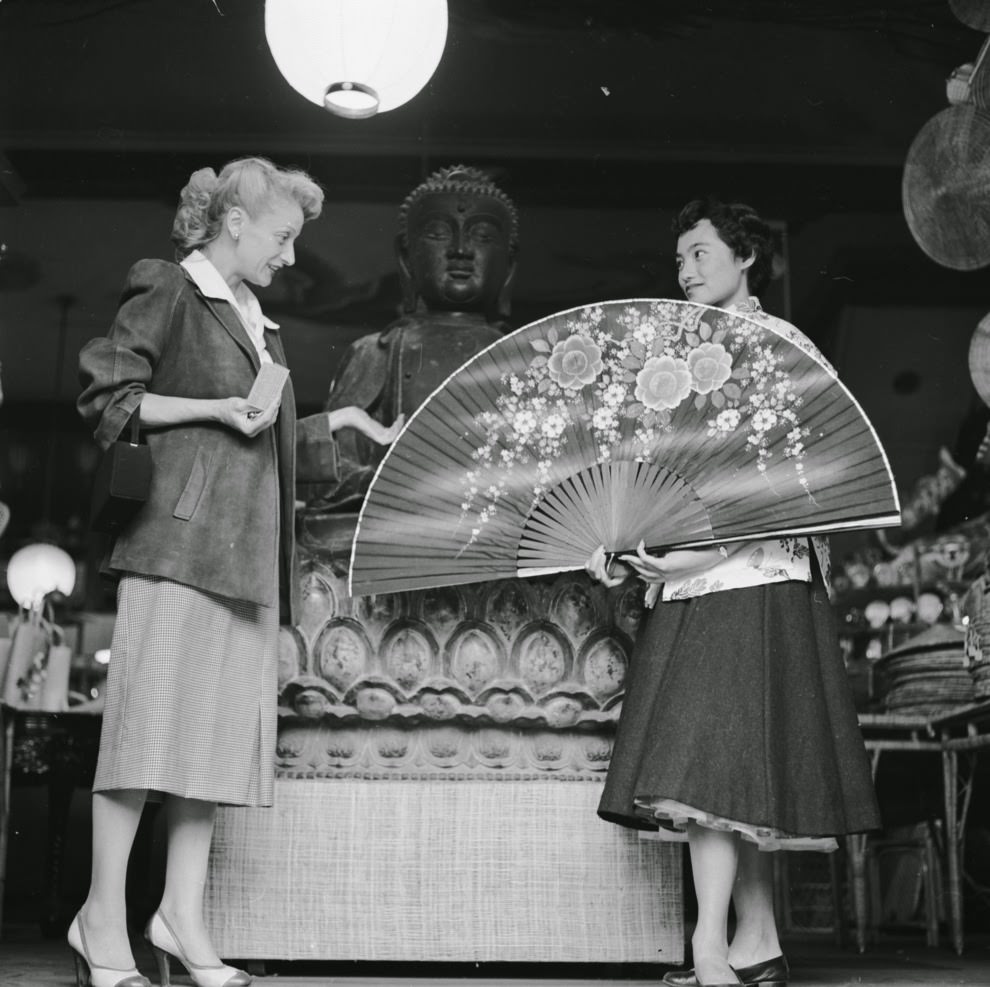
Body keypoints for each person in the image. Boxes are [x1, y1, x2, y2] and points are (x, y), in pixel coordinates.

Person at [73, 157, 395, 987]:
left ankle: (180, 918)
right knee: (145, 743)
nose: (292, 256)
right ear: (237, 221)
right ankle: (100, 917)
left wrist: (347, 422)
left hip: (245, 560)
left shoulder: (259, 320)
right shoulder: (171, 288)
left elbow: (267, 444)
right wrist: (215, 407)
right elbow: (110, 397)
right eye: (284, 237)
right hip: (176, 551)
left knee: (211, 750)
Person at [587, 198, 880, 987]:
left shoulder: (784, 347)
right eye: (678, 257)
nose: (685, 270)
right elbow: (662, 479)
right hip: (690, 580)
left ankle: (709, 947)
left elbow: (788, 487)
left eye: (700, 251)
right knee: (728, 766)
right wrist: (631, 547)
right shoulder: (672, 362)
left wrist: (689, 558)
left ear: (746, 255)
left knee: (711, 766)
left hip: (748, 574)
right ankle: (757, 939)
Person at [297, 163, 518, 511]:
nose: (460, 250)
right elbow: (325, 474)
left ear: (509, 263)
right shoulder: (378, 352)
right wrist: (394, 482)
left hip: (491, 533)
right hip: (396, 529)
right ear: (405, 256)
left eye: (483, 237)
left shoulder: (524, 358)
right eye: (438, 234)